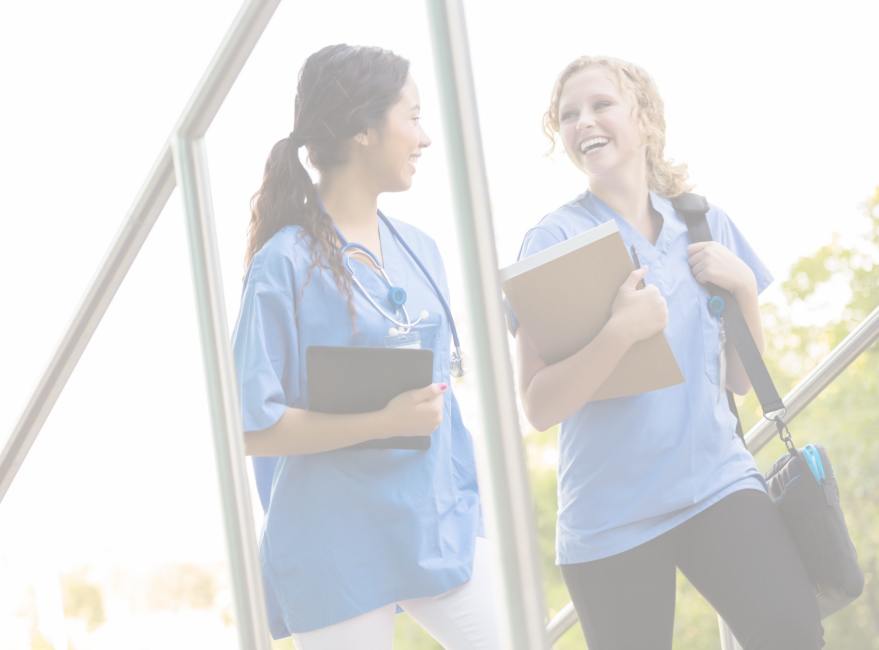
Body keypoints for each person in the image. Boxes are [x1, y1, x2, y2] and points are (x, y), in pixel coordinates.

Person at [510, 55, 824, 649]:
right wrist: (620, 333)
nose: (584, 122)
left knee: (793, 633)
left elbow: (739, 378)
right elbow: (539, 405)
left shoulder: (703, 223)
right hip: (611, 519)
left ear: (645, 119)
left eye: (601, 105)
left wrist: (746, 291)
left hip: (716, 484)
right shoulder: (552, 241)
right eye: (569, 115)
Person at [231, 44, 498, 649]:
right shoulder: (284, 263)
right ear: (361, 130)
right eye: (412, 116)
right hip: (334, 547)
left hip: (435, 526)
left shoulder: (422, 251)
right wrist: (380, 422)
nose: (424, 137)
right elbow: (250, 428)